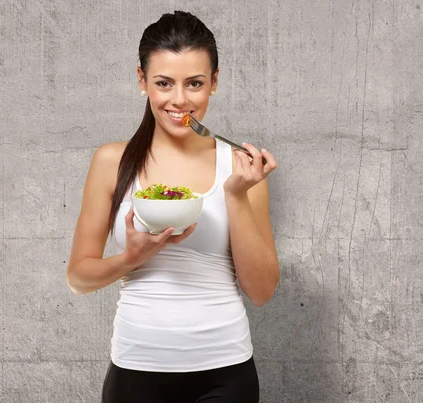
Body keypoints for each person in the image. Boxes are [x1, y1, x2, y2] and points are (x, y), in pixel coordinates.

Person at [66, 10, 280, 403]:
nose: (179, 100)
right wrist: (131, 257)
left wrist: (235, 194)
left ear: (214, 82)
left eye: (194, 83)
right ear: (142, 81)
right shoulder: (112, 162)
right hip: (135, 370)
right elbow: (79, 278)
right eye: (164, 83)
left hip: (225, 373)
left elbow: (262, 291)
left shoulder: (241, 170)